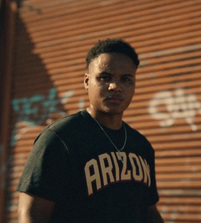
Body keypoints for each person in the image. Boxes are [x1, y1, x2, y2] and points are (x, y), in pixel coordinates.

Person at [17, 38, 164, 223]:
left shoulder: (141, 146)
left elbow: (150, 212)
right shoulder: (60, 138)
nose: (115, 87)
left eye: (126, 79)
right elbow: (31, 213)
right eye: (104, 77)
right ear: (87, 81)